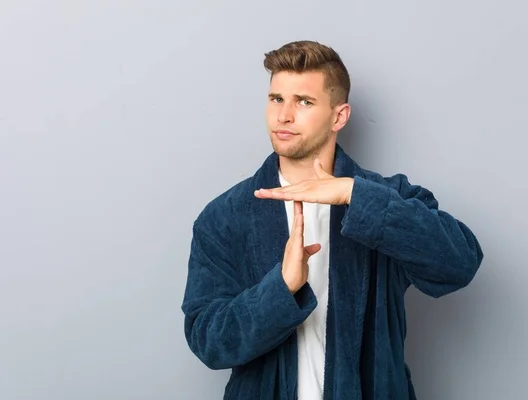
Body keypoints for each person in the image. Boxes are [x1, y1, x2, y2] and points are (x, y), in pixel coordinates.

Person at [181, 40, 484, 400]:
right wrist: (281, 288)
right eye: (276, 99)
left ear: (338, 116)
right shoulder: (224, 216)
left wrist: (355, 196)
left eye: (304, 102)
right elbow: (209, 341)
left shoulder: (389, 198)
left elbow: (459, 265)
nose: (284, 116)